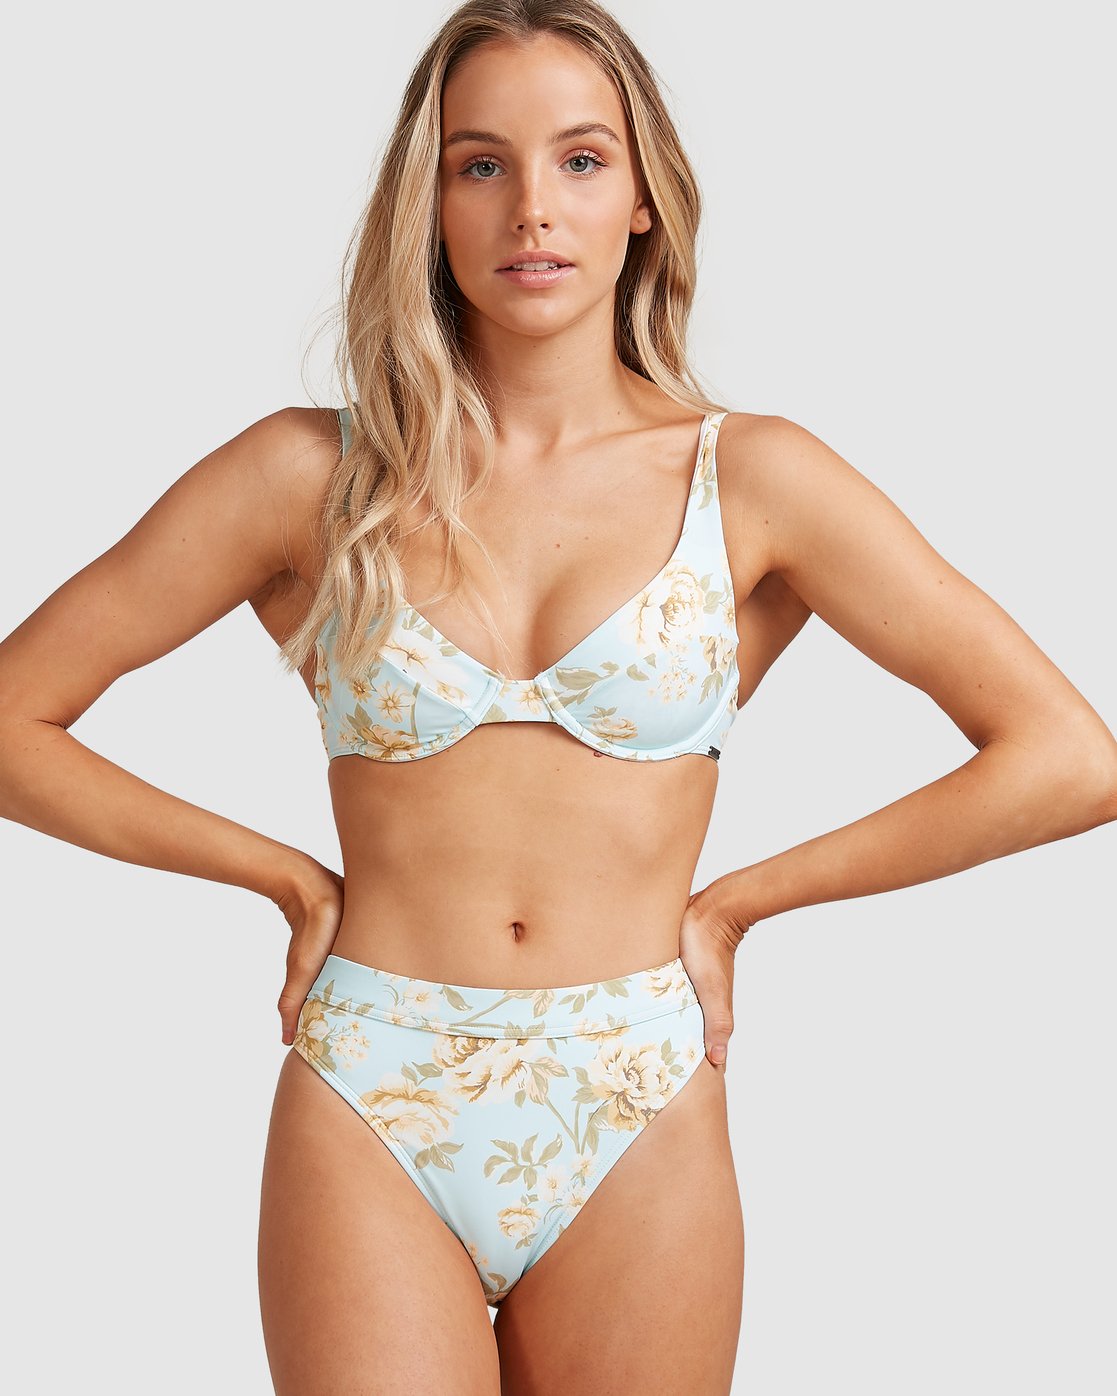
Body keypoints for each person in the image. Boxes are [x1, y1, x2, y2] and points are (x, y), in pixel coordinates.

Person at [1, 1, 1114, 1392]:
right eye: (481, 164)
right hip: (374, 1078)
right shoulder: (310, 477)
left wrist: (736, 906)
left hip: (634, 1086)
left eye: (581, 160)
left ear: (643, 197)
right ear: (428, 203)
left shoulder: (753, 480)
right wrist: (279, 878)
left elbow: (1067, 758)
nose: (532, 206)